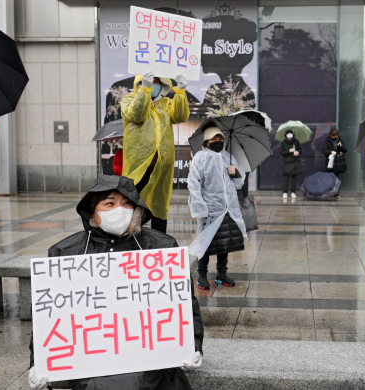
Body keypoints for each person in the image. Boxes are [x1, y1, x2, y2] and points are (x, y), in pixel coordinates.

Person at [27, 175, 204, 390]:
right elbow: (48, 317)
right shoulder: (65, 253)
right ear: (93, 210)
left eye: (126, 203)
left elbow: (184, 303)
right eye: (109, 203)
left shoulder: (161, 247)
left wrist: (192, 346)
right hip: (91, 361)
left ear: (136, 209)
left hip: (149, 360)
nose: (119, 210)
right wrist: (37, 362)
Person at [119, 71, 190, 234]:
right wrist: (144, 90)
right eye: (151, 80)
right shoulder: (129, 100)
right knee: (133, 202)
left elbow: (180, 116)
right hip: (139, 166)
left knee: (159, 203)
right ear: (140, 82)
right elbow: (137, 114)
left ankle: (159, 244)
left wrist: (180, 92)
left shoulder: (166, 103)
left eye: (158, 81)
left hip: (162, 164)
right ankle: (130, 240)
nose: (154, 84)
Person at [188, 127, 247, 290]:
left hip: (228, 209)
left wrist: (235, 173)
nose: (219, 142)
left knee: (224, 242)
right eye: (215, 140)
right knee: (205, 243)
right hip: (210, 209)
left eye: (221, 140)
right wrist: (200, 205)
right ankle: (201, 276)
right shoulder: (200, 157)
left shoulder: (228, 157)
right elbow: (193, 182)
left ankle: (221, 273)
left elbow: (238, 183)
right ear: (206, 142)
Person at [323, 128, 347, 200]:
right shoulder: (327, 141)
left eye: (336, 135)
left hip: (339, 162)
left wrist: (341, 146)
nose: (335, 136)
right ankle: (330, 192)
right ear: (331, 135)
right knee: (330, 178)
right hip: (331, 162)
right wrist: (331, 151)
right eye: (333, 135)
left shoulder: (340, 141)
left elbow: (345, 150)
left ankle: (336, 193)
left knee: (338, 178)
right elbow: (324, 150)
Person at [280, 129, 303, 199]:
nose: (290, 135)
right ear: (285, 135)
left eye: (291, 133)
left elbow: (300, 149)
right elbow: (281, 152)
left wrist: (298, 152)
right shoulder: (283, 143)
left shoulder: (296, 142)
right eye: (288, 133)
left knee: (294, 179)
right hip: (287, 163)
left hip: (295, 162)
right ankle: (285, 192)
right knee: (286, 179)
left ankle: (293, 192)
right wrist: (289, 151)